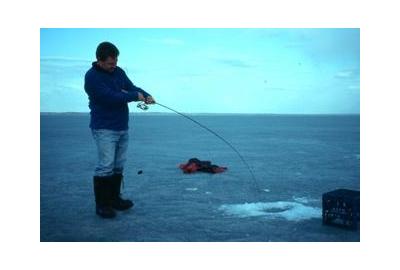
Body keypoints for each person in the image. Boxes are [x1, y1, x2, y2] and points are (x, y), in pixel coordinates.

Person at [84, 41, 155, 218]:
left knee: (118, 165)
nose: (113, 66)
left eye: (115, 62)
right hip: (104, 128)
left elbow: (131, 88)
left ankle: (115, 198)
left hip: (122, 127)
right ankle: (102, 205)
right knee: (105, 166)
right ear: (99, 60)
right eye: (110, 63)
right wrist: (133, 96)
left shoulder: (119, 72)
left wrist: (145, 95)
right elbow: (110, 97)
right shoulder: (92, 77)